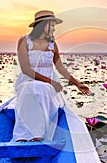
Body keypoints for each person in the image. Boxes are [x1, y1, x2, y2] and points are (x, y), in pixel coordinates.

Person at [12, 10, 100, 162]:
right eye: (51, 25)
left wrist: (77, 83)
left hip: (48, 86)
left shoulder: (53, 45)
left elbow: (60, 68)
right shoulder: (24, 41)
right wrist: (50, 81)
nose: (53, 29)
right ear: (42, 26)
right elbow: (26, 69)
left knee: (41, 89)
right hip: (28, 81)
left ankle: (38, 135)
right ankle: (24, 135)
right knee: (31, 89)